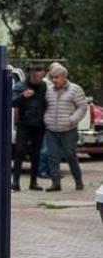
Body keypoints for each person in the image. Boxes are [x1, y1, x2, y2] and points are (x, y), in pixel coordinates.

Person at [43, 63, 87, 192]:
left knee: (70, 155)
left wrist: (72, 120)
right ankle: (56, 183)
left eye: (56, 77)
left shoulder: (75, 89)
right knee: (52, 156)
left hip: (69, 130)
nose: (54, 80)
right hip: (51, 129)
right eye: (52, 77)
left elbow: (82, 107)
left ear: (64, 76)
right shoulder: (49, 90)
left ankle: (78, 181)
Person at [11, 65, 48, 191]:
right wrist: (23, 96)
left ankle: (33, 182)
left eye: (41, 76)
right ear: (31, 75)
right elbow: (12, 102)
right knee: (19, 152)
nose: (39, 79)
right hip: (24, 124)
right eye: (37, 76)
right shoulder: (20, 86)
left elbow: (46, 102)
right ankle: (15, 182)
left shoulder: (43, 86)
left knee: (36, 153)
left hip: (39, 124)